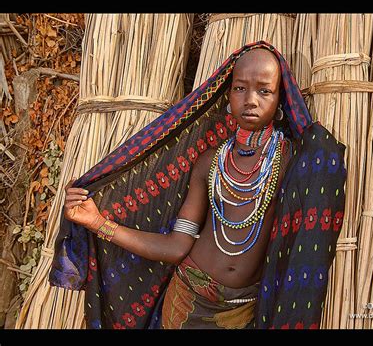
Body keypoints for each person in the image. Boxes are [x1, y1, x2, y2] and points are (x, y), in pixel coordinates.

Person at [51, 41, 347, 329]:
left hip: (242, 309)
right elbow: (178, 247)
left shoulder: (292, 162)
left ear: (280, 99)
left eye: (264, 90)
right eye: (240, 88)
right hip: (186, 298)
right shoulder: (210, 162)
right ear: (228, 96)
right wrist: (97, 221)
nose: (251, 99)